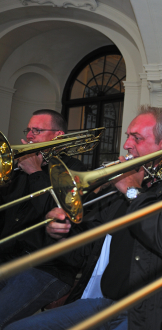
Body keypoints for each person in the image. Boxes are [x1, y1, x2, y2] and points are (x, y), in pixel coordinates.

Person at [6, 105, 162, 330]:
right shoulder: (121, 186)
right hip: (105, 303)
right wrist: (64, 228)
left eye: (136, 138)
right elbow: (85, 240)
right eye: (127, 137)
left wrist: (133, 191)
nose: (126, 145)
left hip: (158, 310)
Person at [0, 109, 86, 329]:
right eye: (28, 130)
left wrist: (35, 174)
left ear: (57, 136)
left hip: (48, 266)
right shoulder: (16, 170)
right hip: (8, 258)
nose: (29, 136)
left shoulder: (75, 171)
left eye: (37, 130)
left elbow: (61, 216)